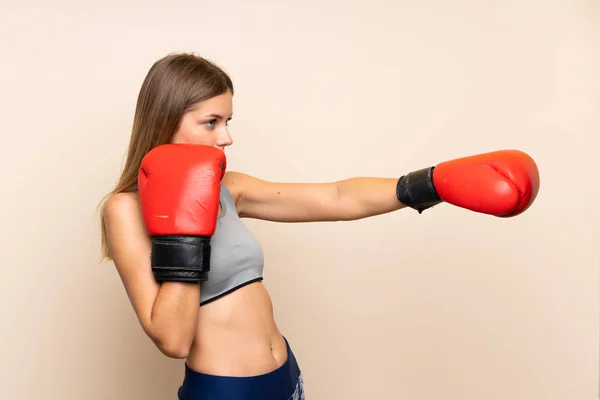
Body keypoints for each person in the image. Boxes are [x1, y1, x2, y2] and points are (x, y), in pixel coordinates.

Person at [98, 52, 540, 400]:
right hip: (225, 389)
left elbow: (336, 197)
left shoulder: (229, 188)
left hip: (284, 374)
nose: (226, 137)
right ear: (166, 118)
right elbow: (172, 339)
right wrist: (182, 230)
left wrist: (430, 184)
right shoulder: (124, 210)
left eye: (228, 121)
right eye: (210, 122)